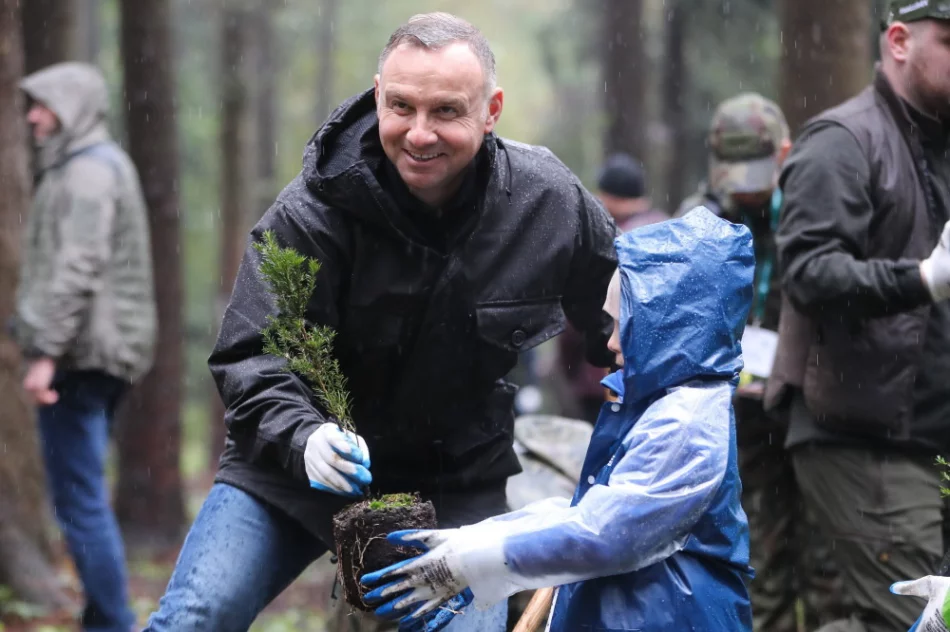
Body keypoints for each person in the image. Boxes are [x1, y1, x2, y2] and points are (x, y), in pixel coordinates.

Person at [144, 12, 617, 632]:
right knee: (194, 618)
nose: (420, 134)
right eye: (401, 107)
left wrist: (658, 387)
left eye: (447, 111)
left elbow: (624, 305)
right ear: (377, 96)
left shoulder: (547, 203)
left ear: (491, 109)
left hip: (457, 486)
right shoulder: (313, 211)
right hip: (295, 474)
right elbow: (252, 352)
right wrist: (304, 437)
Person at [361, 207, 755, 632]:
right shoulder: (667, 402)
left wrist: (477, 561)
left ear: (675, 330)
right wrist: (472, 545)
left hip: (675, 616)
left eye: (627, 327)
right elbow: (592, 512)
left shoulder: (686, 422)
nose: (612, 343)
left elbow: (606, 535)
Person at [768, 2, 950, 630]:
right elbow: (810, 273)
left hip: (930, 442)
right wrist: (923, 279)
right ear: (899, 41)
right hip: (867, 440)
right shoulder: (843, 141)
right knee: (921, 622)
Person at [678, 93, 844, 632]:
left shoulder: (815, 209)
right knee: (760, 563)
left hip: (816, 412)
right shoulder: (701, 220)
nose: (747, 186)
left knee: (827, 567)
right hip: (743, 424)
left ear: (784, 154)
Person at [13, 62, 156, 632]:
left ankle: (114, 623)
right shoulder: (94, 166)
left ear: (69, 107)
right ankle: (104, 618)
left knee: (79, 501)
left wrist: (44, 352)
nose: (32, 116)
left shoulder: (85, 174)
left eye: (42, 104)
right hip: (99, 353)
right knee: (82, 495)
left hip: (81, 357)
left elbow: (76, 268)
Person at [557, 153, 667, 424]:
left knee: (602, 459)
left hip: (601, 380)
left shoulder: (599, 240)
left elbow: (574, 318)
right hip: (659, 380)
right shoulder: (669, 234)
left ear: (604, 196)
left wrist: (571, 368)